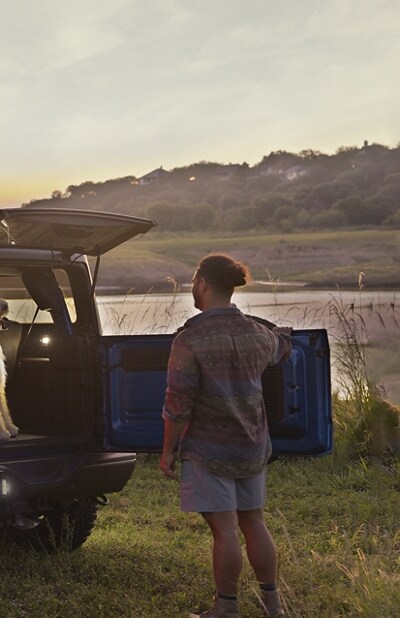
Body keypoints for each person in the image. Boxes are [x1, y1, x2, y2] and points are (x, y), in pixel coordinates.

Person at [159, 254, 293, 618]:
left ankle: (227, 608)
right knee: (254, 521)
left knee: (225, 530)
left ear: (202, 283)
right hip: (252, 446)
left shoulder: (190, 340)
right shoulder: (256, 333)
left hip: (208, 451)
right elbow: (283, 347)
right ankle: (273, 605)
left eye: (193, 281)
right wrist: (284, 335)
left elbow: (177, 405)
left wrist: (167, 451)